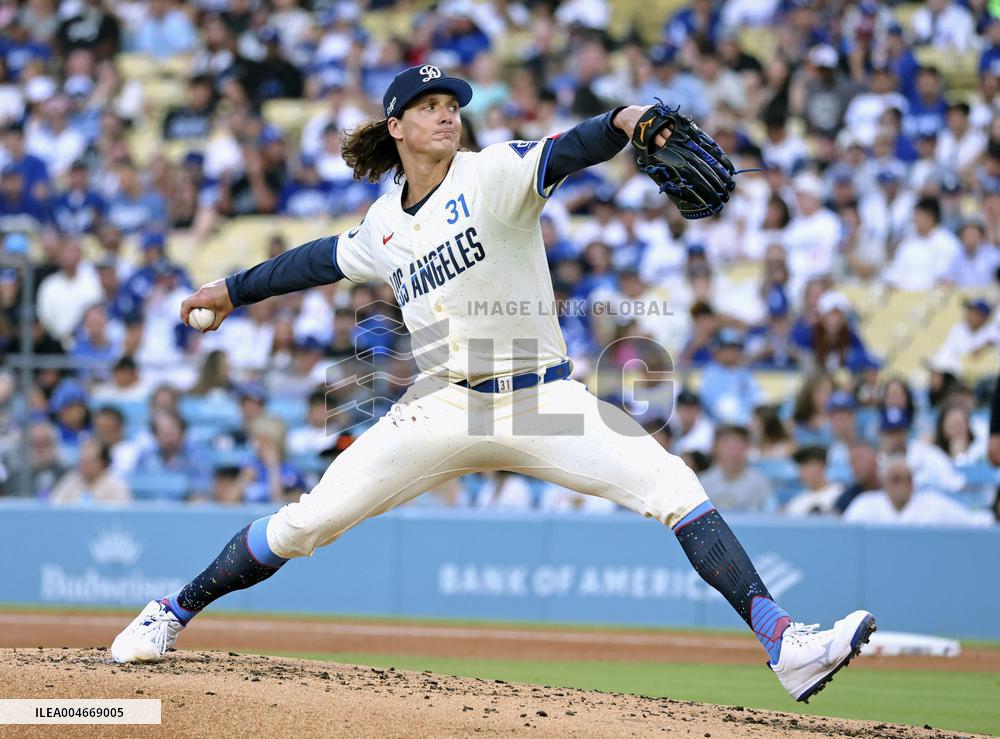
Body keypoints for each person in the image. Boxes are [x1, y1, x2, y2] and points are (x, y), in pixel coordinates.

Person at [110, 64, 875, 701]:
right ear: (397, 127)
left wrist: (626, 118)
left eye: (453, 105)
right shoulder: (384, 224)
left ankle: (785, 641)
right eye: (430, 106)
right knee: (306, 523)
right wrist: (231, 290)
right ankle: (169, 610)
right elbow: (313, 259)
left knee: (672, 484)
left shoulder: (494, 174)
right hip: (442, 406)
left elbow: (570, 149)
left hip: (544, 399)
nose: (447, 116)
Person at [844, 455, 991, 527]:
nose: (903, 485)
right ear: (884, 483)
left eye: (907, 479)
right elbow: (845, 535)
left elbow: (973, 521)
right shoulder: (865, 505)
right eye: (896, 479)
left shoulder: (933, 505)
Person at [698, 424, 775, 512]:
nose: (734, 452)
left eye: (739, 447)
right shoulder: (701, 483)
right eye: (728, 447)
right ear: (715, 448)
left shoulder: (760, 483)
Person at [50, 438, 131, 504]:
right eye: (82, 461)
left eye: (89, 461)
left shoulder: (116, 486)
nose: (84, 466)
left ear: (103, 463)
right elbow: (55, 506)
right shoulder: (70, 481)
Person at [783, 446, 844, 517]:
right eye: (801, 467)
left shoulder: (840, 494)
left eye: (808, 466)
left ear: (822, 466)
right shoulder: (797, 501)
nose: (803, 472)